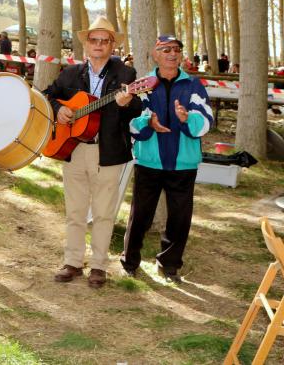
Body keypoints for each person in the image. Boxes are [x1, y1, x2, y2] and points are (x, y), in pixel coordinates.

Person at [43, 16, 142, 288]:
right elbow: (47, 95)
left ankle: (98, 265)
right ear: (86, 44)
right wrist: (58, 109)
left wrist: (126, 103)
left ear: (112, 46)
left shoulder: (126, 75)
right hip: (74, 149)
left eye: (105, 40)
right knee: (74, 211)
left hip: (108, 152)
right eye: (94, 40)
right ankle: (73, 262)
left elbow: (138, 109)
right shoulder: (70, 74)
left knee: (103, 212)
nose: (98, 45)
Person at [120, 35, 213, 283]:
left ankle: (170, 266)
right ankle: (129, 262)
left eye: (177, 49)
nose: (172, 53)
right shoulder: (142, 84)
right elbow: (131, 121)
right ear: (155, 54)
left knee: (180, 219)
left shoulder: (194, 85)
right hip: (149, 161)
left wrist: (186, 119)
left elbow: (205, 121)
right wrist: (148, 122)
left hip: (184, 164)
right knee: (140, 215)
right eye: (166, 49)